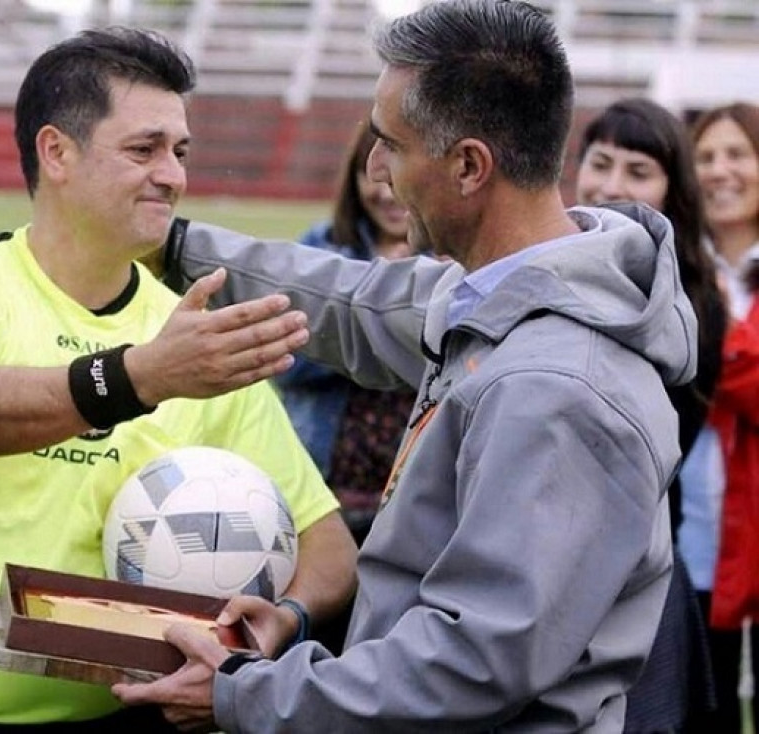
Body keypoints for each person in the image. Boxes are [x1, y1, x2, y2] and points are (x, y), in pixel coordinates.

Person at [112, 1, 698, 730]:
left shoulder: (557, 387)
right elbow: (351, 301)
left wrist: (247, 692)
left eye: (390, 142)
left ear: (468, 166)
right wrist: (169, 246)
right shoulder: (503, 292)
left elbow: (472, 662)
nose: (376, 168)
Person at [0, 26, 357, 733]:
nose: (173, 176)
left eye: (180, 152)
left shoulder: (193, 333)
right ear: (56, 152)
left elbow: (329, 546)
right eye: (143, 149)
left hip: (133, 721)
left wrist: (279, 624)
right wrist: (140, 376)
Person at [575, 97, 722, 732]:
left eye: (639, 172)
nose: (611, 186)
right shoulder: (541, 272)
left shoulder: (692, 310)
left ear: (673, 191)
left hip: (638, 571)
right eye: (600, 163)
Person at [278, 121, 420, 547]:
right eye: (371, 172)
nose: (387, 192)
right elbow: (285, 363)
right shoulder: (321, 250)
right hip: (324, 491)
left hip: (411, 506)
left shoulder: (452, 262)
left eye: (401, 173)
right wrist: (374, 304)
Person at [681, 101, 759, 734]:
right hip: (691, 536)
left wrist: (704, 343)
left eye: (737, 154)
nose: (720, 171)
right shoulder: (674, 266)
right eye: (704, 157)